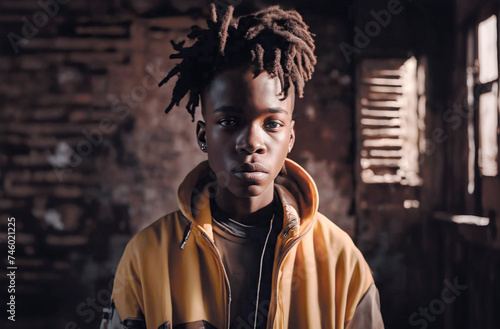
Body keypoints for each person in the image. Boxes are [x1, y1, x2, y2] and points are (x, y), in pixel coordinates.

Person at [100, 3, 384, 329]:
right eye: (231, 121)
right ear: (203, 135)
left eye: (272, 124)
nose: (252, 142)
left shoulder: (339, 260)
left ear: (290, 138)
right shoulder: (147, 254)